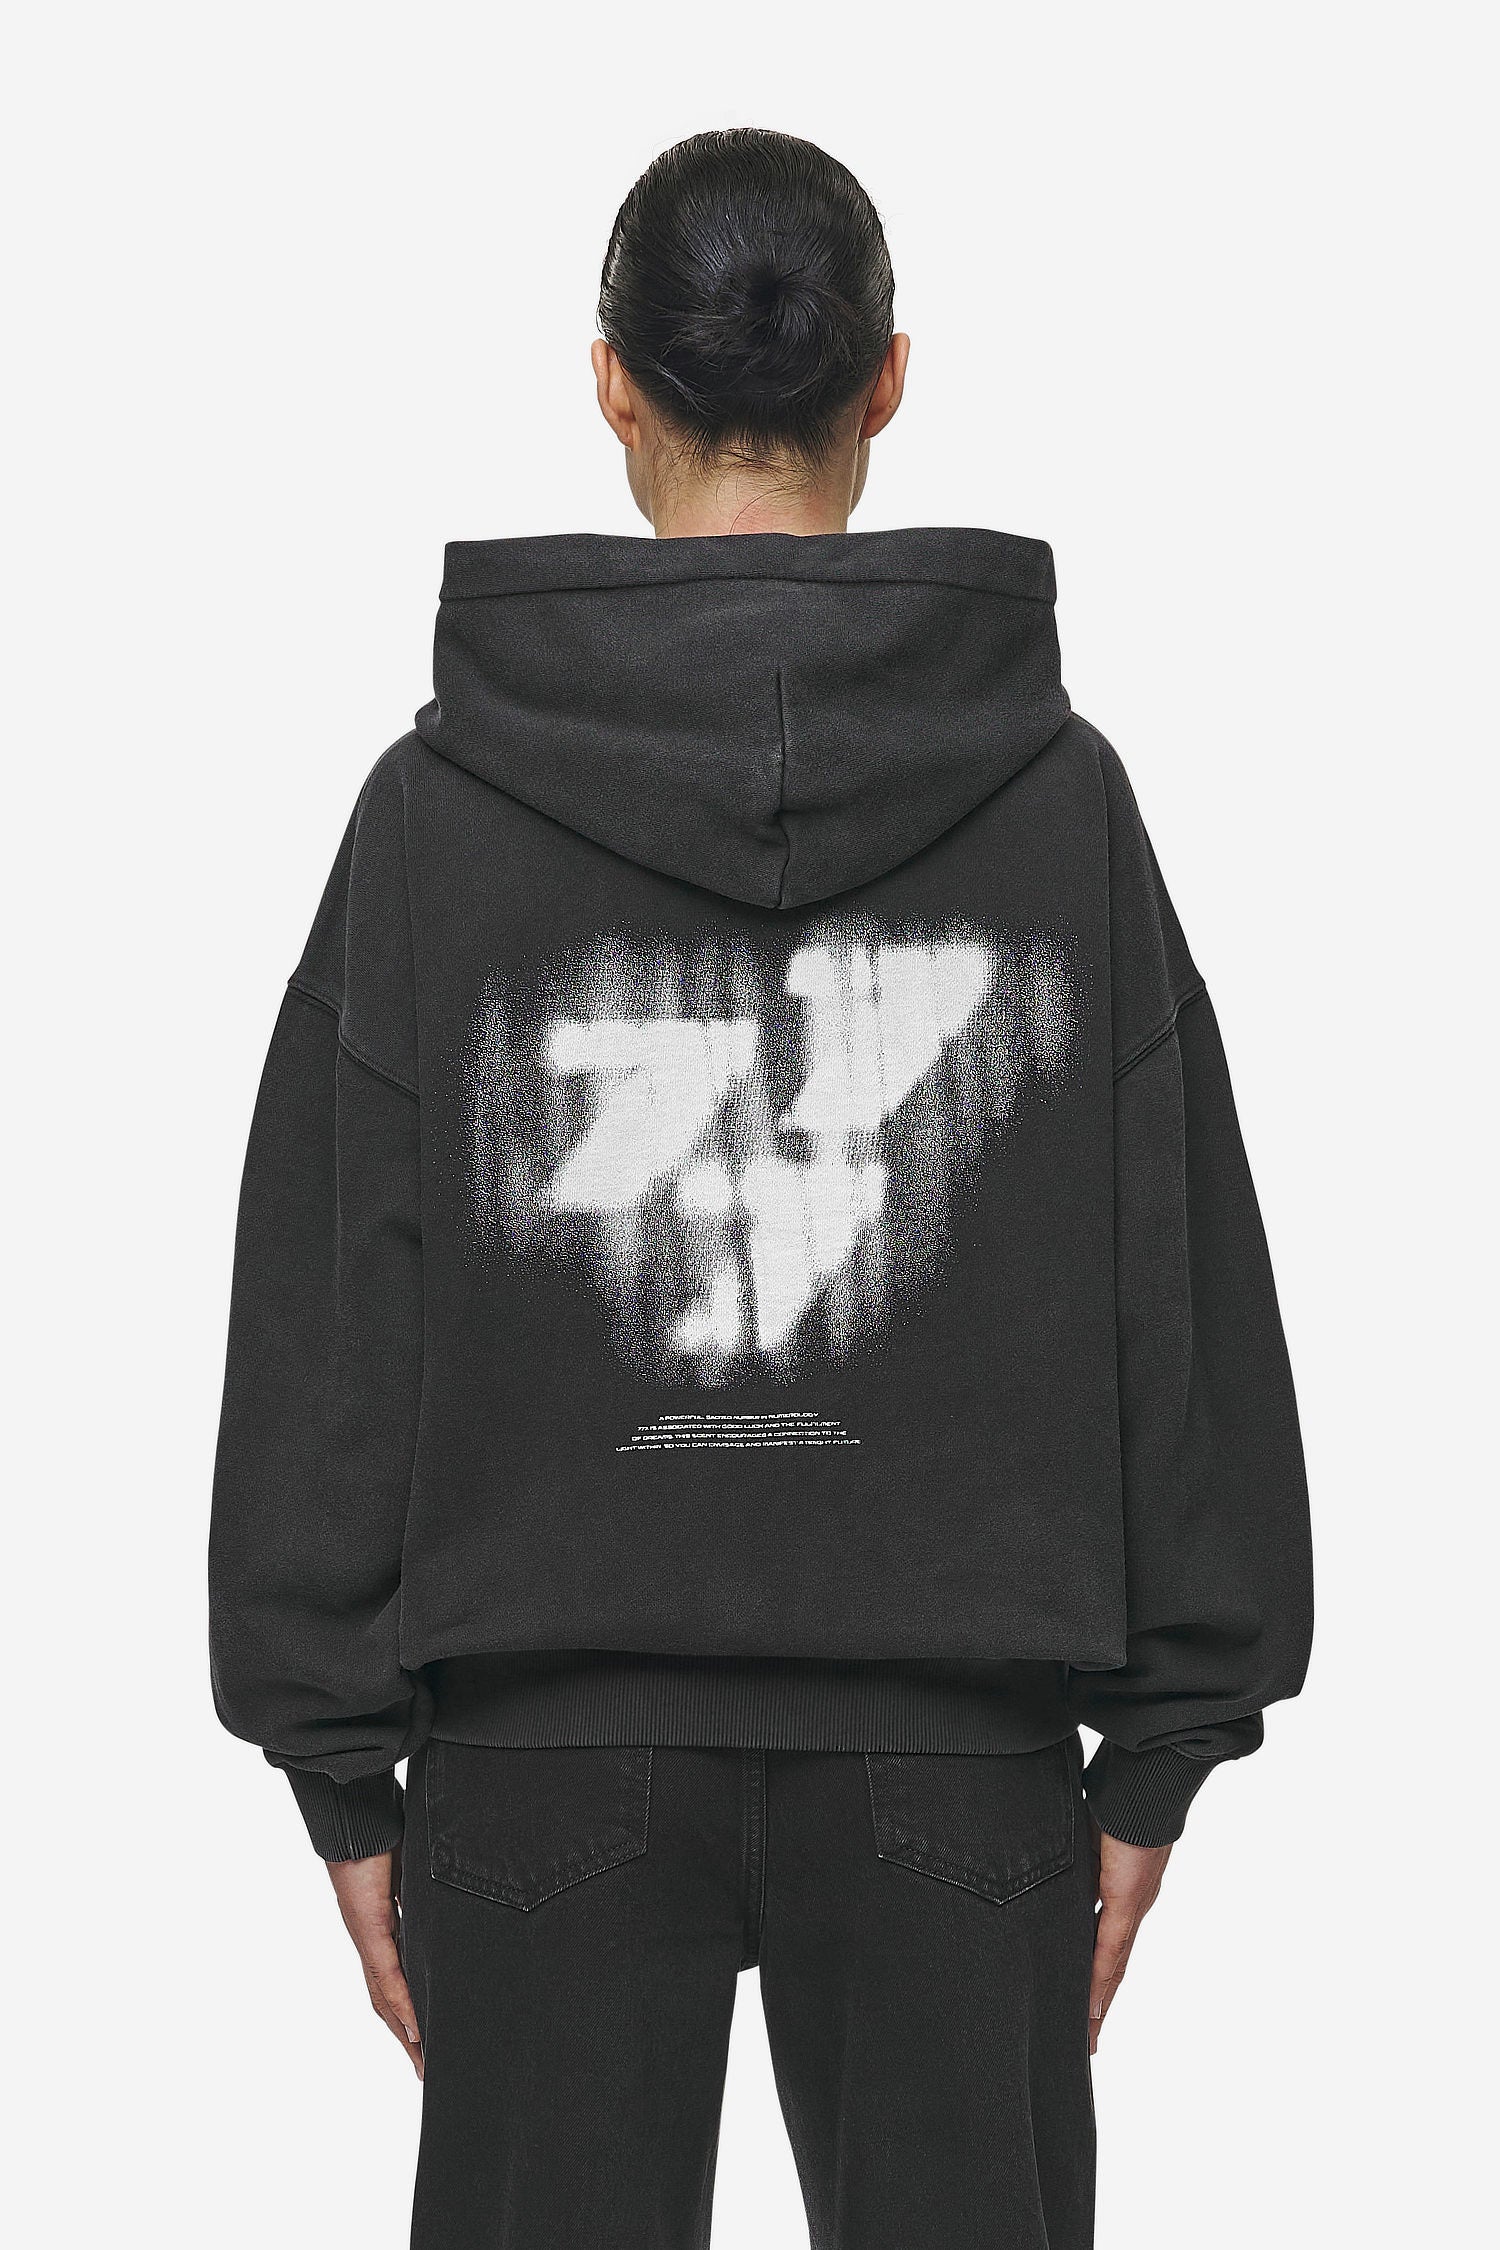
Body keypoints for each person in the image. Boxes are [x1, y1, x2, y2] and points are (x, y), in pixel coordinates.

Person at [209, 126, 1312, 2250]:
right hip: (958, 1757)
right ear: (889, 378)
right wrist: (1170, 1733)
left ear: (610, 384)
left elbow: (339, 1302)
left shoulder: (434, 811)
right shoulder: (1062, 805)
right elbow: (1172, 1277)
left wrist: (335, 1756)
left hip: (540, 1748)